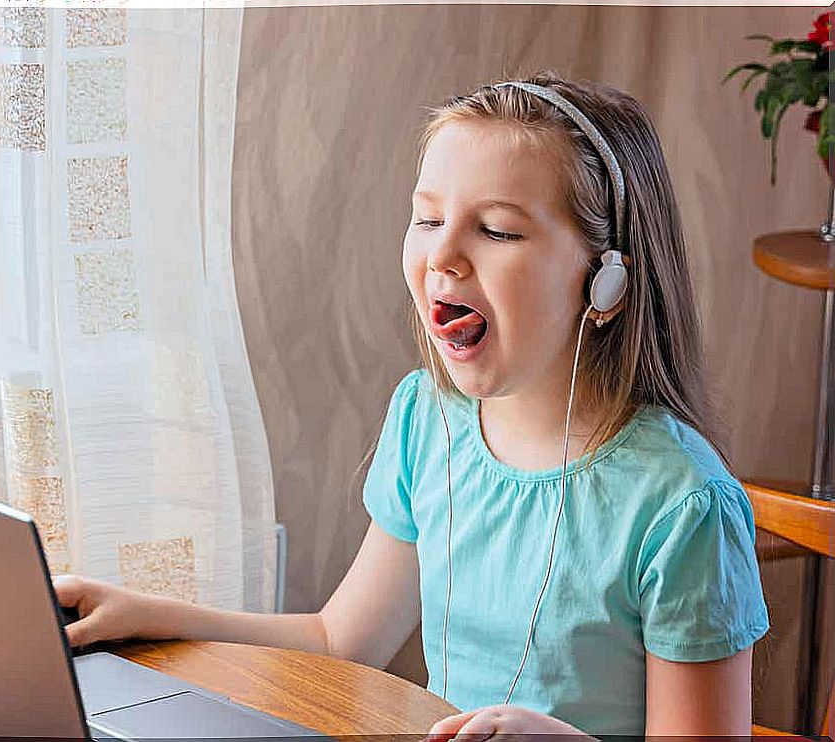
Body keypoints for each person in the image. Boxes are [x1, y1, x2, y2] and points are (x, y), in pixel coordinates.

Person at [52, 71, 770, 738]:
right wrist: (143, 617)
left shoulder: (683, 507)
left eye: (497, 230)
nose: (443, 258)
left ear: (604, 281)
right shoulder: (428, 419)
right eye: (427, 220)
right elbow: (342, 642)